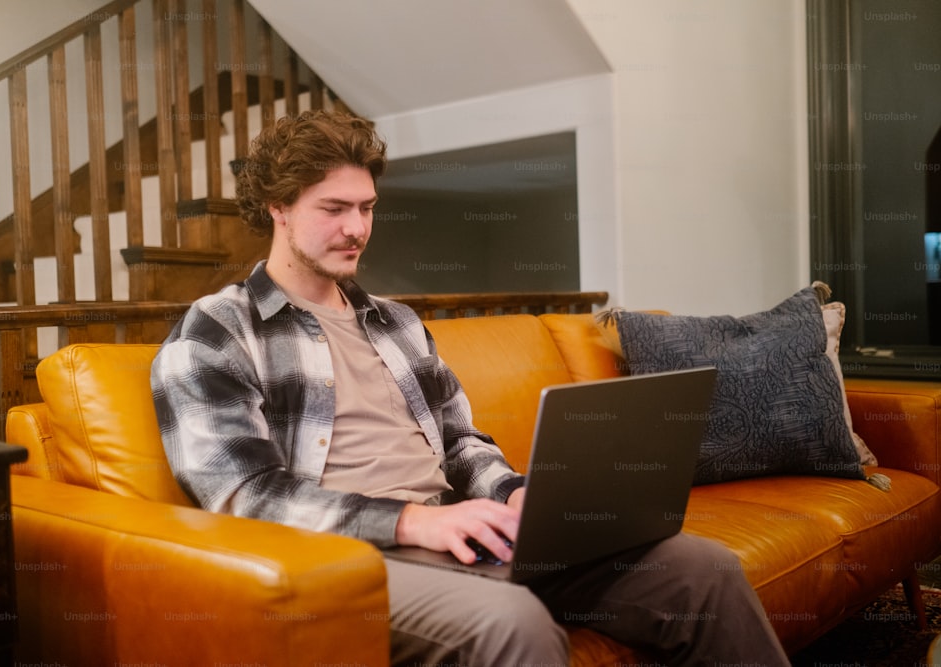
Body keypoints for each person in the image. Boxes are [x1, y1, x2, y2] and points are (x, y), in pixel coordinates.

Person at [150, 109, 792, 667]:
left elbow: (460, 441)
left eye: (367, 207)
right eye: (334, 209)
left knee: (702, 570)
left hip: (454, 531)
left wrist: (516, 496)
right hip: (347, 560)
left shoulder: (395, 322)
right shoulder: (217, 329)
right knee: (512, 623)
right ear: (278, 208)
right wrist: (412, 522)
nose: (357, 228)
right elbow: (241, 496)